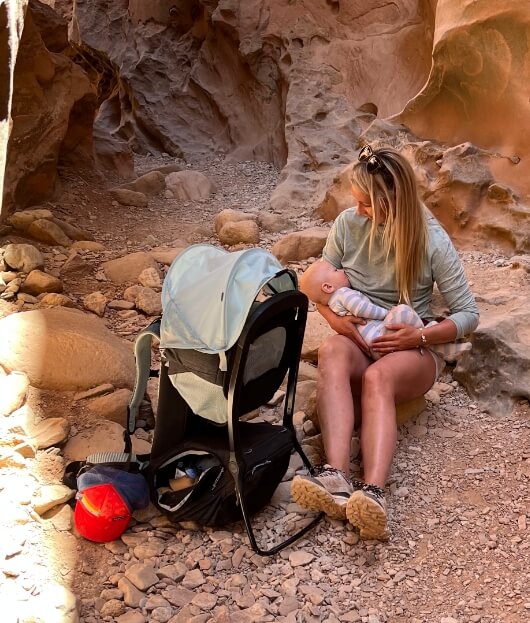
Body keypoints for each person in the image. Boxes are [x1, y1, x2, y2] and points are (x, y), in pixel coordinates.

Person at [291, 144, 479, 541]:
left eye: (367, 205)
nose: (358, 211)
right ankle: (335, 476)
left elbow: (468, 315)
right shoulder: (346, 225)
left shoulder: (431, 240)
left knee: (378, 378)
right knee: (330, 352)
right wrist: (340, 326)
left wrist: (420, 334)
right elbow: (321, 292)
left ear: (394, 201)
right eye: (356, 203)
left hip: (413, 347)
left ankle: (373, 492)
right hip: (361, 337)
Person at [298, 259, 471, 362]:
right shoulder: (343, 294)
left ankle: (429, 339)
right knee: (402, 311)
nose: (342, 270)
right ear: (328, 287)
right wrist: (386, 313)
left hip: (373, 347)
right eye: (336, 270)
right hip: (381, 335)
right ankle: (436, 342)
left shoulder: (334, 303)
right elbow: (363, 309)